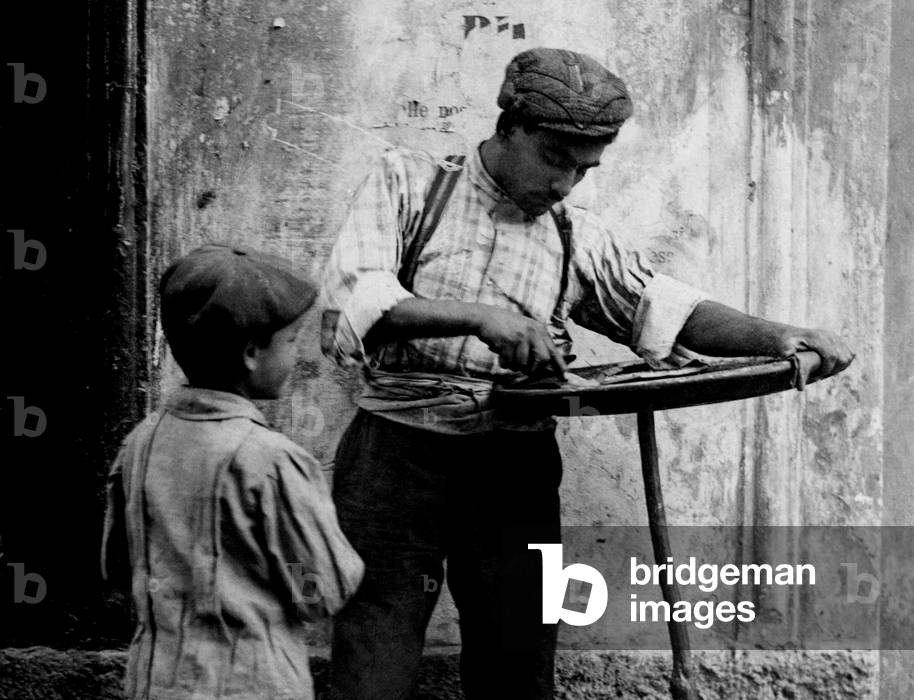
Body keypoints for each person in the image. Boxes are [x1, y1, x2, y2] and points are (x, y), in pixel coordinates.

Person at [319, 48, 854, 699]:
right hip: (396, 458)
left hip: (512, 468)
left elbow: (669, 310)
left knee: (519, 663)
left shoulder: (574, 235)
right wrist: (482, 320)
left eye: (584, 169)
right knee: (374, 659)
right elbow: (354, 302)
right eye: (555, 160)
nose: (566, 184)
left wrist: (777, 335)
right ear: (509, 126)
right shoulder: (410, 183)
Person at [101, 244, 365, 700]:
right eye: (291, 341)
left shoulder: (140, 444)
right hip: (249, 685)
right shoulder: (272, 460)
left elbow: (119, 566)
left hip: (155, 684)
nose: (298, 356)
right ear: (249, 353)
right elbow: (317, 590)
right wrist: (296, 573)